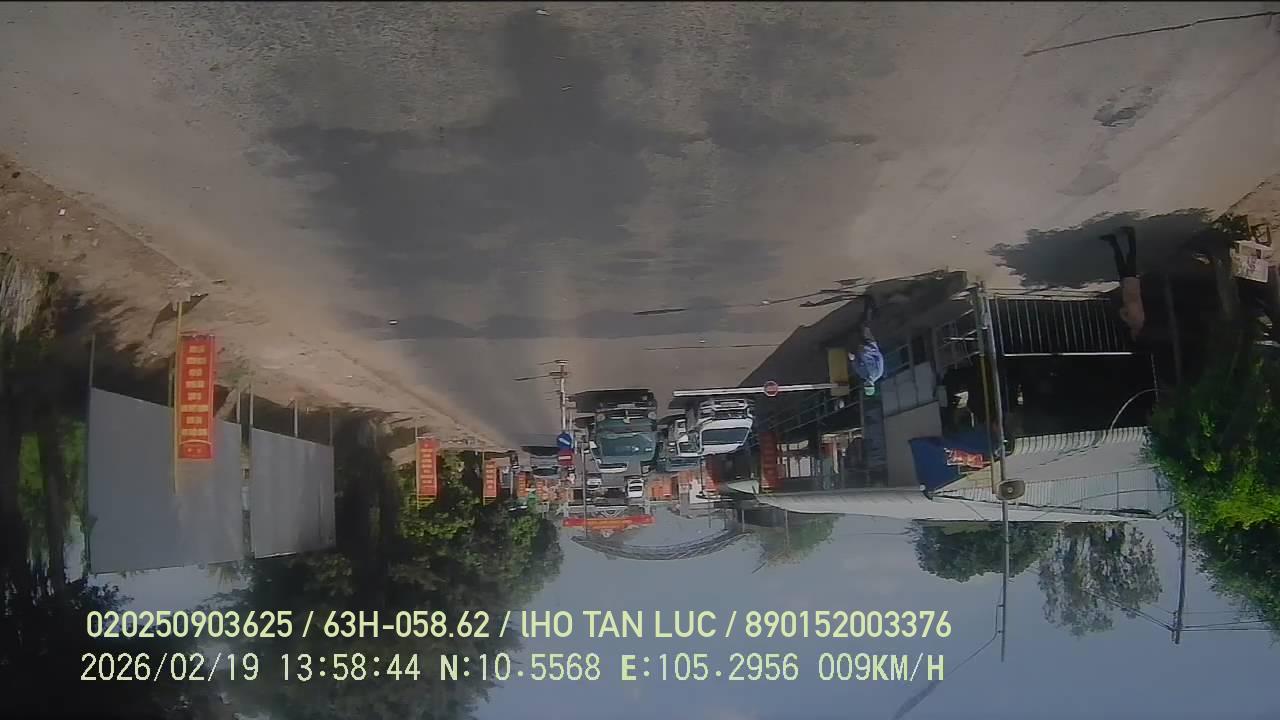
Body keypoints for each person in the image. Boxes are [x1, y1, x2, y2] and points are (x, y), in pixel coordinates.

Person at [1101, 225, 1144, 339]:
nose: (1132, 335)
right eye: (1133, 336)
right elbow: (1132, 304)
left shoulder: (1133, 323)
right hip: (1131, 285)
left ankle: (1113, 241)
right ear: (1136, 334)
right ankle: (1130, 235)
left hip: (1128, 285)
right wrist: (1123, 313)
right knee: (1129, 258)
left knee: (1120, 260)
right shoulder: (1137, 322)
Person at [848, 295, 884, 396]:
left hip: (860, 348)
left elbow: (856, 365)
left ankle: (871, 309)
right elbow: (880, 357)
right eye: (869, 385)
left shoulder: (862, 374)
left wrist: (852, 359)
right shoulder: (878, 372)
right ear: (873, 385)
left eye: (866, 386)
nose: (867, 384)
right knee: (864, 326)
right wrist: (870, 348)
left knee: (860, 327)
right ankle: (869, 303)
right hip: (870, 344)